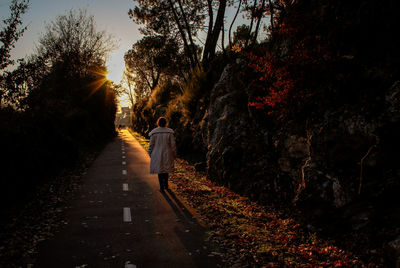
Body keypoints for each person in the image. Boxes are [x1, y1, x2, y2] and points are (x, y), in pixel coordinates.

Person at [148, 117, 177, 192]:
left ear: (158, 123)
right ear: (165, 123)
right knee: (166, 170)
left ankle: (161, 187)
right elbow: (173, 144)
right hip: (168, 153)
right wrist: (174, 153)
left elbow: (151, 145)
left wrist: (150, 153)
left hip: (157, 153)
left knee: (160, 170)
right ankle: (166, 186)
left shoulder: (154, 132)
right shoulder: (169, 132)